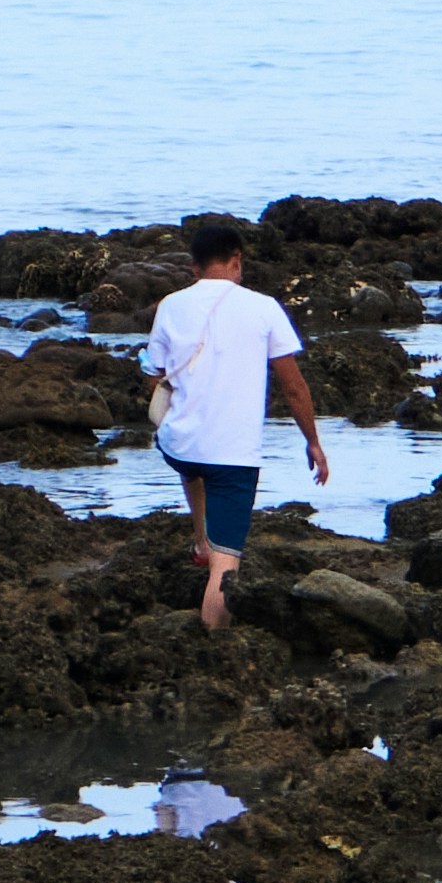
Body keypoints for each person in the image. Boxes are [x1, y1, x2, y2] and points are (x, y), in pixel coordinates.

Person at [141, 218, 330, 633]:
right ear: (236, 261)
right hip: (232, 458)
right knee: (226, 571)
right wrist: (313, 442)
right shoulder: (263, 308)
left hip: (178, 445)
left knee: (192, 464)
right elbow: (294, 387)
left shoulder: (170, 305)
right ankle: (211, 645)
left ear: (194, 267)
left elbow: (154, 374)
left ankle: (200, 541)